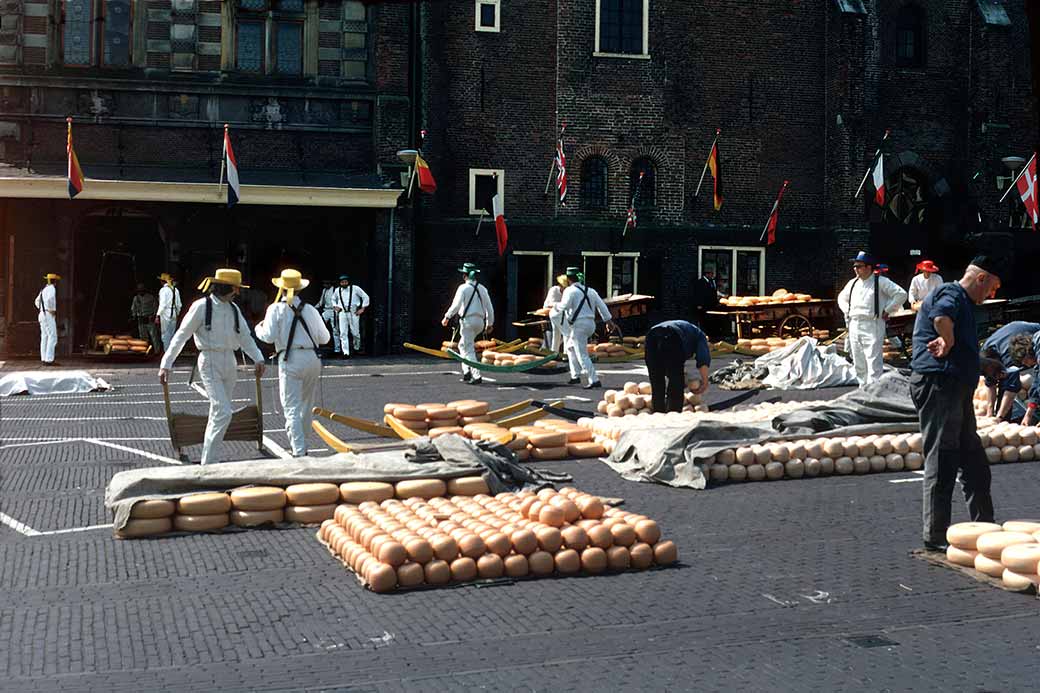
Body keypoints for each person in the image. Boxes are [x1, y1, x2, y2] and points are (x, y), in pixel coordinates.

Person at [910, 256, 1004, 552]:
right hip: (939, 386)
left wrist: (982, 364)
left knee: (974, 461)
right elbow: (941, 318)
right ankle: (936, 535)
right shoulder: (950, 293)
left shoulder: (962, 301)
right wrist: (947, 340)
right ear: (981, 278)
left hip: (955, 387)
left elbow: (959, 352)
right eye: (992, 287)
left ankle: (985, 526)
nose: (992, 295)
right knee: (943, 458)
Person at [158, 268, 265, 465]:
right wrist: (166, 364)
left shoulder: (233, 309)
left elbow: (244, 337)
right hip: (209, 361)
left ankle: (209, 461)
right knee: (223, 410)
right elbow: (182, 335)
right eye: (235, 288)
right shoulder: (201, 306)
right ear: (227, 287)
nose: (238, 292)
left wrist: (258, 358)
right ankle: (209, 462)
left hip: (230, 362)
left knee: (218, 413)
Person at [254, 269, 330, 457]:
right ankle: (303, 445)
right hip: (312, 359)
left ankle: (298, 450)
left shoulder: (275, 309)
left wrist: (258, 328)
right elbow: (325, 338)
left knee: (291, 408)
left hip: (291, 359)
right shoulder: (311, 309)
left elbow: (268, 336)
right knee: (306, 406)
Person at [837, 251, 908, 387]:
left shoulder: (880, 282)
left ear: (869, 267)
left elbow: (901, 294)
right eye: (854, 266)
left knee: (873, 360)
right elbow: (842, 298)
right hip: (854, 324)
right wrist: (848, 310)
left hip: (872, 324)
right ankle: (862, 389)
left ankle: (874, 393)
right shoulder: (853, 283)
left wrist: (887, 310)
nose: (855, 269)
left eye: (859, 266)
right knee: (858, 361)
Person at [559, 267, 615, 389]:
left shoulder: (569, 291)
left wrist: (554, 309)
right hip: (590, 324)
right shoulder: (591, 291)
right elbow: (602, 306)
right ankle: (575, 376)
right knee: (570, 347)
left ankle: (594, 379)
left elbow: (564, 306)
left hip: (579, 325)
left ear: (568, 279)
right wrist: (608, 321)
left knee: (581, 353)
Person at [442, 263, 494, 385]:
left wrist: (447, 317)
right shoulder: (483, 289)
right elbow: (489, 308)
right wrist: (489, 323)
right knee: (462, 345)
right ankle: (466, 372)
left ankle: (476, 375)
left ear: (465, 275)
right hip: (480, 323)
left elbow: (456, 306)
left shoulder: (463, 288)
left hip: (468, 322)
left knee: (468, 349)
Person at [644, 320, 711, 413]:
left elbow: (668, 364)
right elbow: (703, 357)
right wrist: (705, 381)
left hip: (650, 337)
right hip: (672, 336)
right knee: (676, 383)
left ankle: (658, 413)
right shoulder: (700, 336)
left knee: (657, 382)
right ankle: (673, 413)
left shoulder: (687, 329)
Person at [980, 321, 1040, 422]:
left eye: (1025, 362)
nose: (1027, 366)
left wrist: (1000, 417)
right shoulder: (985, 356)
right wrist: (990, 414)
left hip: (1030, 332)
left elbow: (1011, 388)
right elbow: (990, 383)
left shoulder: (1009, 355)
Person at [332, 274, 370, 357]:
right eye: (342, 282)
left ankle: (357, 348)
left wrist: (362, 308)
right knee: (343, 333)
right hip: (342, 313)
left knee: (355, 333)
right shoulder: (337, 290)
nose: (344, 283)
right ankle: (346, 353)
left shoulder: (355, 288)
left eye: (345, 282)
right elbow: (333, 299)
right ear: (340, 283)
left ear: (348, 282)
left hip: (353, 312)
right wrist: (335, 306)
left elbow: (365, 297)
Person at [35, 273, 60, 366]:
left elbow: (36, 301)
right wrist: (51, 309)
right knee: (52, 336)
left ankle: (44, 358)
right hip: (48, 314)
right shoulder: (52, 289)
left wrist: (42, 308)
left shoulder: (43, 290)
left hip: (42, 314)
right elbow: (50, 299)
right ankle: (49, 359)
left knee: (45, 336)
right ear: (55, 281)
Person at [130, 283, 161, 354]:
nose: (140, 292)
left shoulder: (151, 297)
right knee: (143, 337)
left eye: (142, 290)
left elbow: (155, 307)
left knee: (154, 336)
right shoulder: (136, 298)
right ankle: (144, 350)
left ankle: (157, 351)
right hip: (141, 319)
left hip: (149, 319)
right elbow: (133, 308)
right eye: (139, 290)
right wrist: (134, 316)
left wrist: (154, 315)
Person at [543, 274, 570, 353]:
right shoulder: (554, 290)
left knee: (558, 333)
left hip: (561, 314)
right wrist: (562, 305)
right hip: (552, 312)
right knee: (565, 333)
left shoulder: (567, 292)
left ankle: (555, 351)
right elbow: (551, 303)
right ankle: (564, 353)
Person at [157, 273, 183, 352]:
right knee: (172, 334)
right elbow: (179, 305)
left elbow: (162, 304)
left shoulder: (163, 290)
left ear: (162, 282)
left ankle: (167, 354)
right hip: (174, 313)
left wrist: (157, 315)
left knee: (165, 335)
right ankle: (172, 353)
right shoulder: (175, 290)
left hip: (165, 313)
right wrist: (176, 313)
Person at [317, 279, 340, 355]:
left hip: (334, 311)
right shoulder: (324, 290)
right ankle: (320, 345)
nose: (325, 285)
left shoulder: (335, 290)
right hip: (326, 311)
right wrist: (314, 307)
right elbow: (321, 302)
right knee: (320, 327)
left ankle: (337, 349)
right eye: (324, 284)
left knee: (335, 330)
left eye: (327, 283)